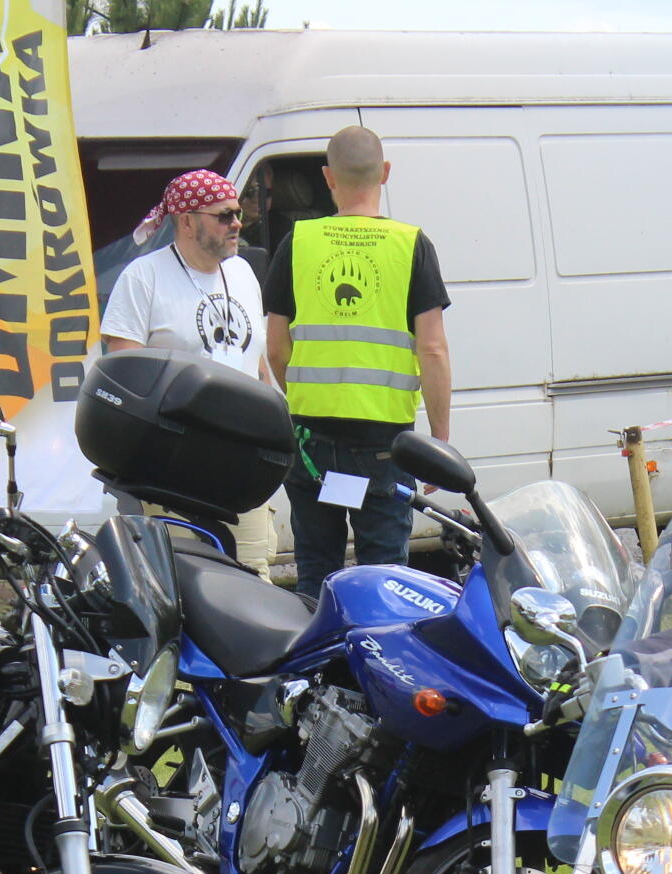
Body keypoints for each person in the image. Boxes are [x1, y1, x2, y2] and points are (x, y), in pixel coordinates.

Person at [262, 125, 452, 599]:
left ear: (328, 177)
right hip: (384, 445)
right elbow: (432, 349)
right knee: (385, 580)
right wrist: (439, 442)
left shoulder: (298, 242)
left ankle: (319, 647)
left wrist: (305, 393)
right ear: (385, 173)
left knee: (316, 573)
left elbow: (276, 347)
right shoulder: (411, 245)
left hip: (310, 441)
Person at [102, 169, 279, 570]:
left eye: (237, 213)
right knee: (184, 580)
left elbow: (257, 363)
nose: (237, 223)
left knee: (253, 578)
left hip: (242, 464)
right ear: (186, 222)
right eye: (224, 215)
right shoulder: (143, 277)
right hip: (173, 468)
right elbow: (124, 377)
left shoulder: (243, 273)